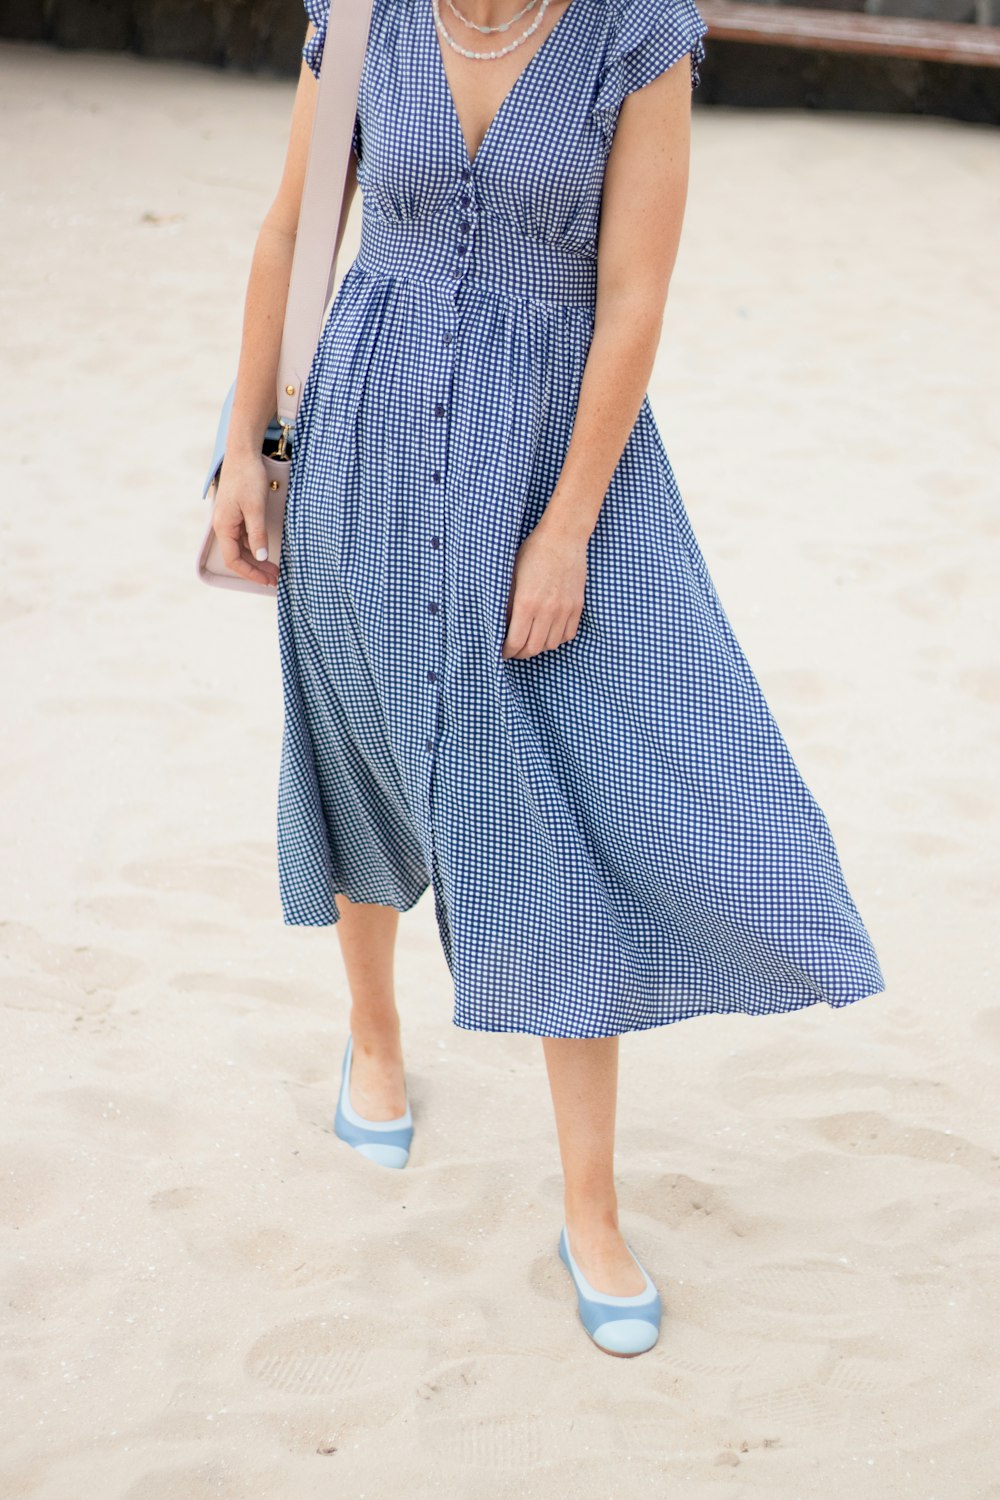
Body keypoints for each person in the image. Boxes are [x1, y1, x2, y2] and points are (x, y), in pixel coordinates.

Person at [211, 0, 886, 1357]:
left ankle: (590, 1204)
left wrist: (568, 526)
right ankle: (375, 1034)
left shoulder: (637, 30)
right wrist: (245, 447)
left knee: (556, 814)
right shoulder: (360, 17)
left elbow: (635, 293)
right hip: (363, 448)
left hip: (549, 465)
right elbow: (292, 230)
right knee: (359, 748)